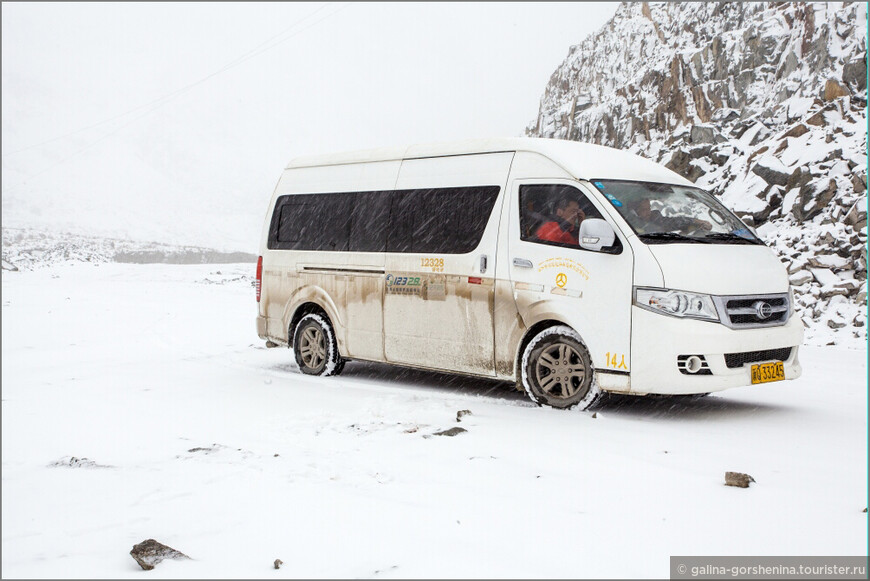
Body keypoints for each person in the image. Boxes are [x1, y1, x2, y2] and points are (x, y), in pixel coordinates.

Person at [627, 198, 712, 234]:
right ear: (634, 212)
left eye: (649, 208)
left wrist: (695, 221)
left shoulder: (655, 219)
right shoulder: (627, 224)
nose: (648, 212)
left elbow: (673, 222)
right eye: (643, 210)